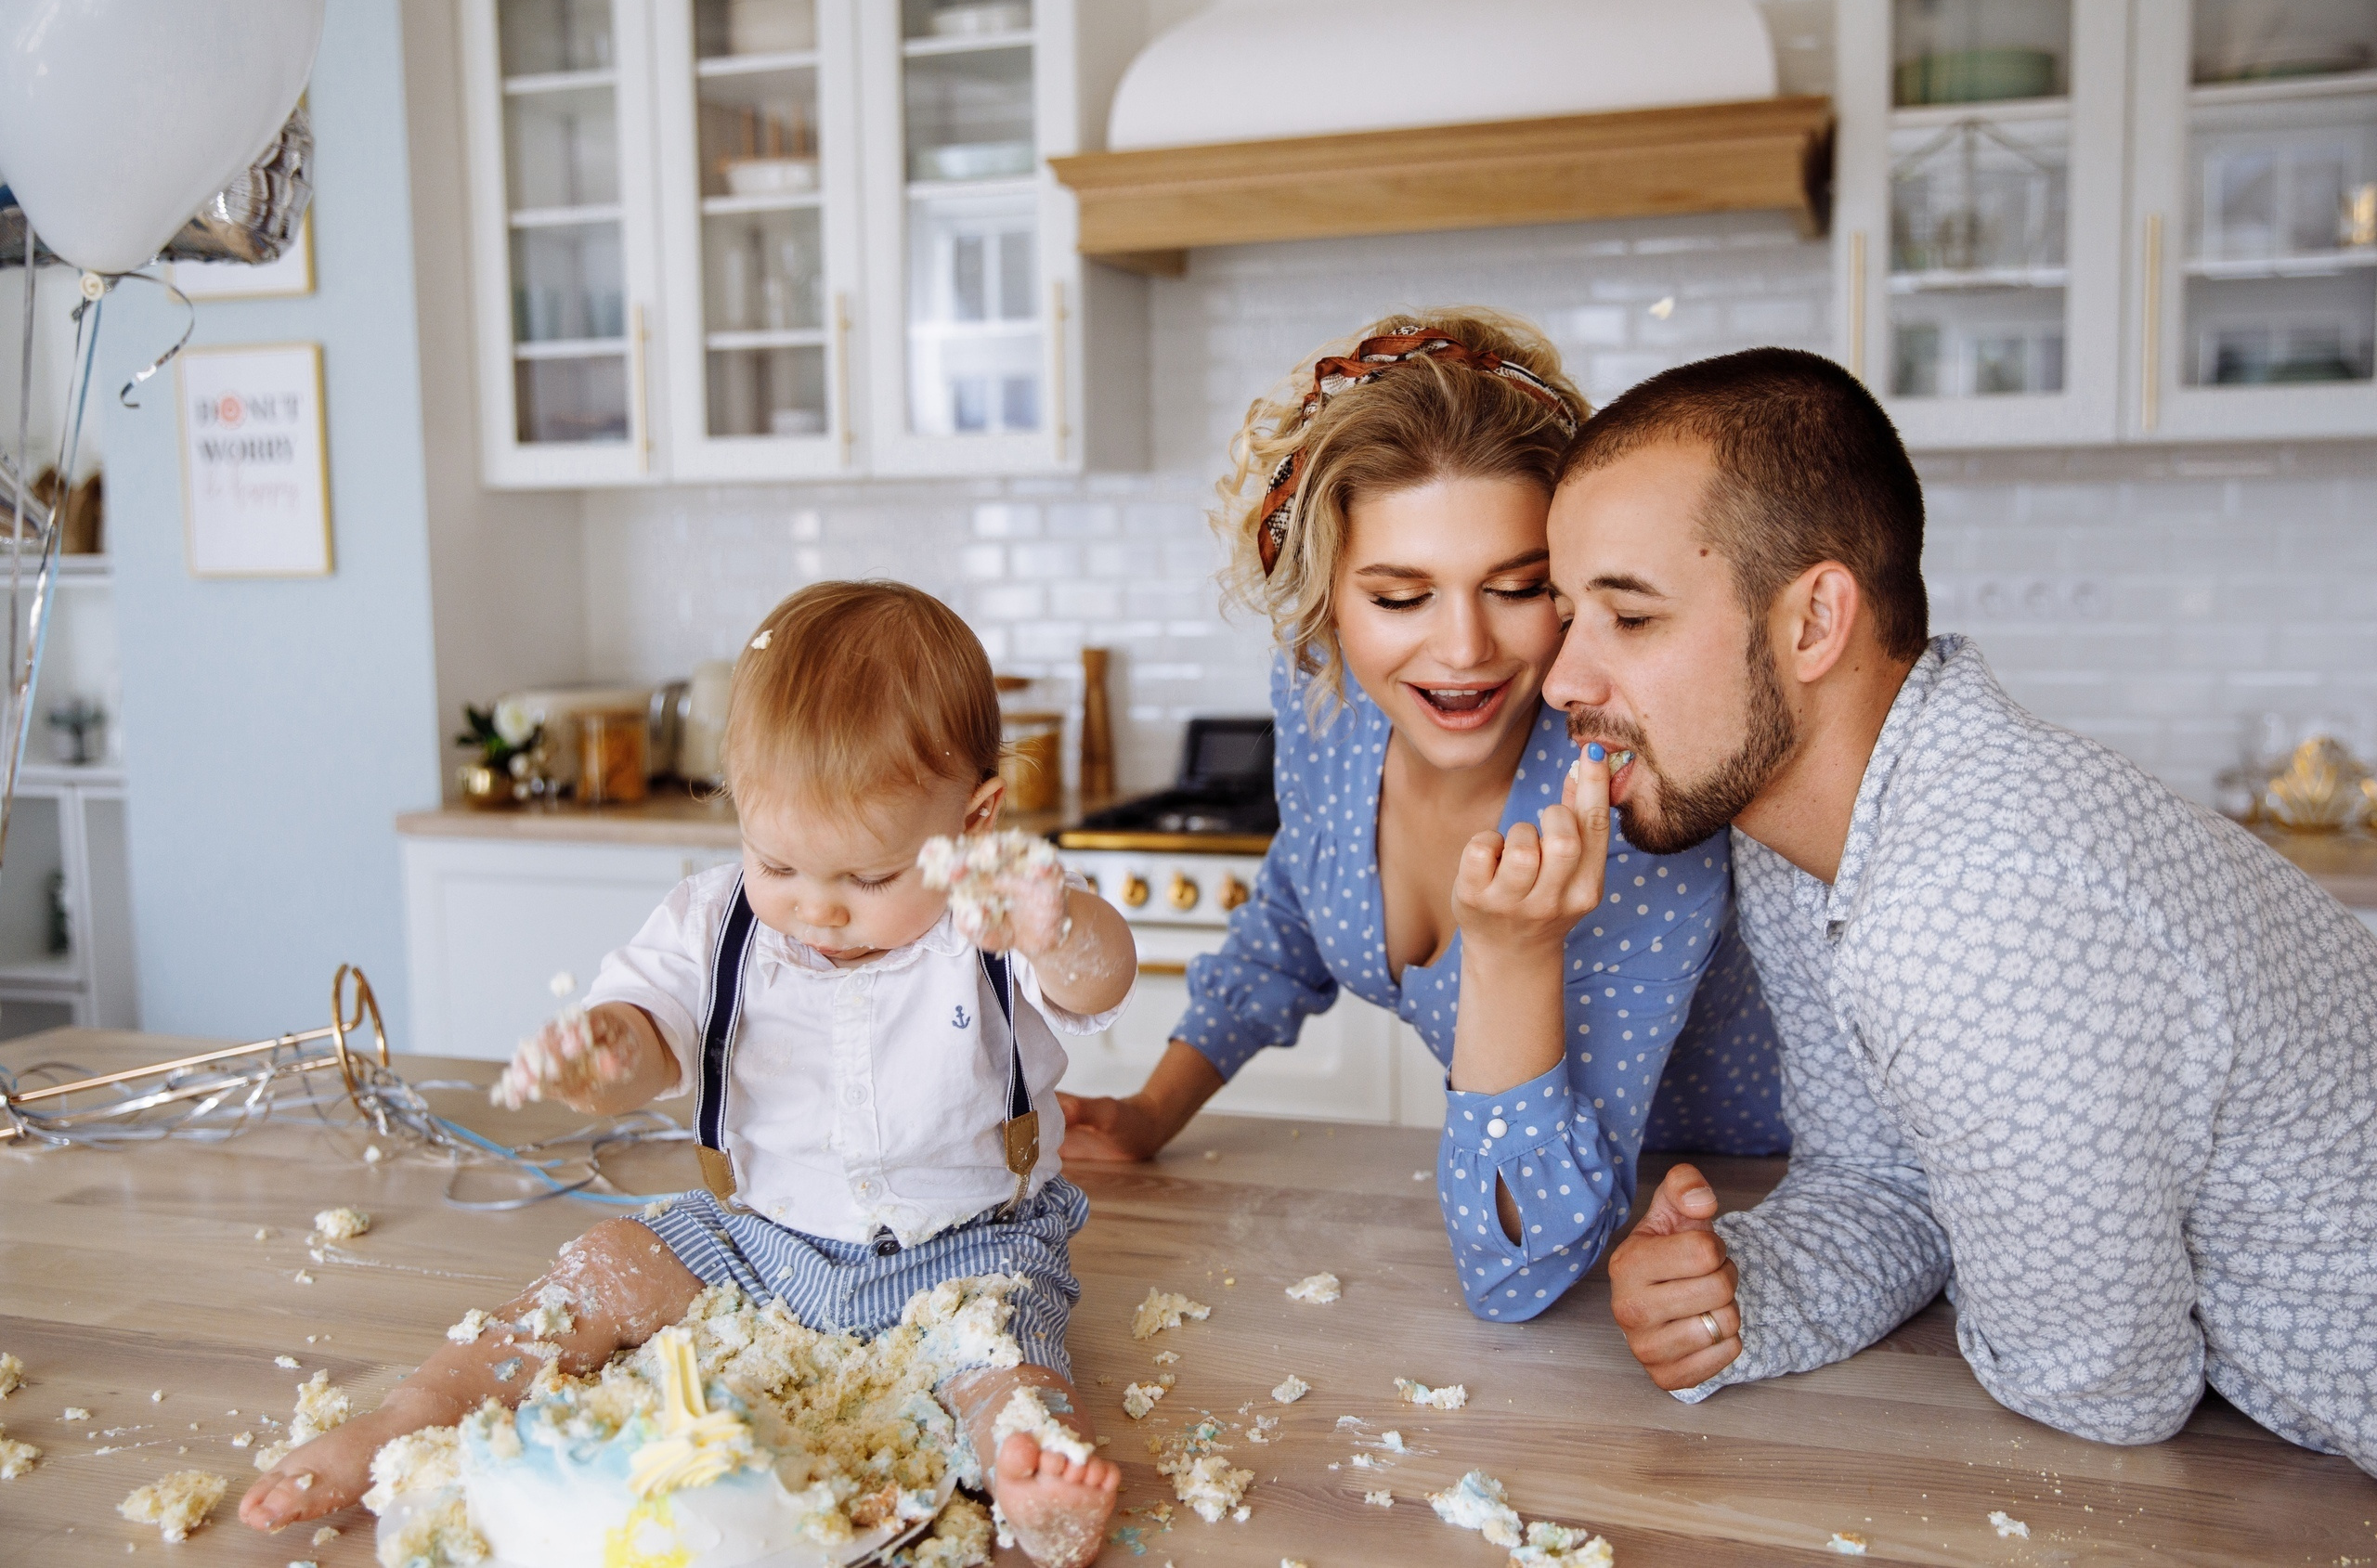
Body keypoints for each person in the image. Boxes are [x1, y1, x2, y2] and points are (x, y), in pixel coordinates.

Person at [1552, 348, 2377, 1471]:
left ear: (1811, 624)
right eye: (1564, 616)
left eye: (1629, 619)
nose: (1560, 679)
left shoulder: (1971, 904)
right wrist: (1745, 1292)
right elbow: (1884, 1177)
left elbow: (2098, 1388)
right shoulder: (1808, 847)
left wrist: (1992, 1273)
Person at [240, 581, 1138, 1564]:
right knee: (595, 1276)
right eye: (778, 862)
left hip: (966, 1253)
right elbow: (648, 1034)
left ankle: (1030, 1466)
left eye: (869, 878)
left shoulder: (998, 910)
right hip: (754, 1241)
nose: (816, 909)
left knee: (1006, 1360)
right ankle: (411, 1418)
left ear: (974, 820)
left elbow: (1098, 981)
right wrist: (607, 1052)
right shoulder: (710, 923)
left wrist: (1061, 929)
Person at [1061, 310, 1788, 1324]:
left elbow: (1523, 1265)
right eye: (1400, 597)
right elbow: (1292, 914)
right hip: (1526, 1206)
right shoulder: (1326, 696)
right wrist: (1149, 1111)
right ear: (1325, 604)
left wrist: (1513, 955)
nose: (1461, 650)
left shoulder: (1633, 801)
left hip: (1725, 1220)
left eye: (1517, 587)